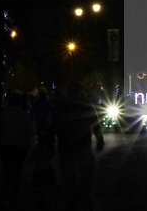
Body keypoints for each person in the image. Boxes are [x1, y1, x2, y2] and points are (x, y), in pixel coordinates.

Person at [51, 80, 104, 210]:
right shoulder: (86, 105)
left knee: (69, 175)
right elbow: (95, 123)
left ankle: (72, 199)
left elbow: (53, 126)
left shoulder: (60, 106)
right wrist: (99, 139)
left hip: (66, 145)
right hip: (82, 145)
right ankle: (83, 196)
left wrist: (51, 143)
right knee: (87, 172)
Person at [0, 90, 33, 205]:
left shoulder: (3, 114)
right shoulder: (24, 115)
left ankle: (6, 192)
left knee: (7, 169)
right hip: (20, 146)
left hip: (6, 145)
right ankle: (14, 193)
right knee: (17, 170)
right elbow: (30, 132)